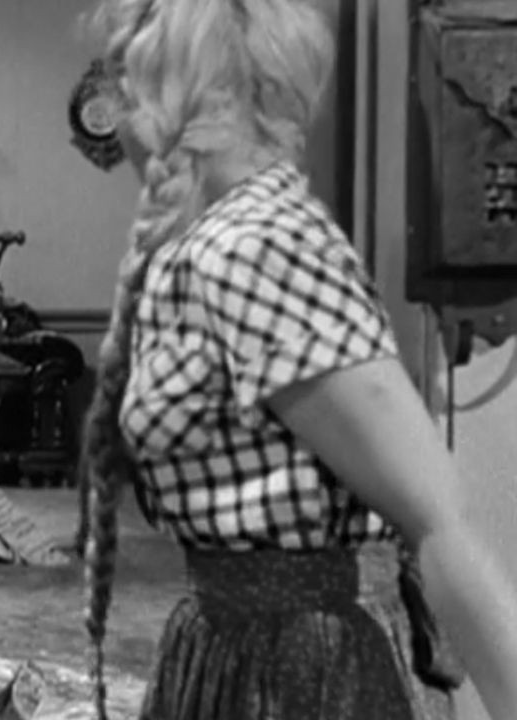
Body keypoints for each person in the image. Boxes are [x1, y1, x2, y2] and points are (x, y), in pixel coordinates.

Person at [78, 1, 517, 719]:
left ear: (206, 95)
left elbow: (439, 518)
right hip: (228, 648)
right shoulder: (212, 241)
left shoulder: (259, 247)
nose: (119, 112)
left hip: (292, 676)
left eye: (128, 84)